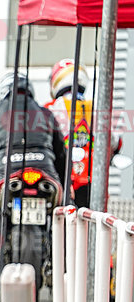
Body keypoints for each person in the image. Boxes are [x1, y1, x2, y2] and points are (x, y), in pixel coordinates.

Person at [0, 72, 67, 302]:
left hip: (7, 179)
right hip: (46, 179)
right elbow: (62, 155)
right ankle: (70, 278)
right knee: (66, 227)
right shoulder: (46, 114)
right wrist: (63, 183)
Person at [44, 59, 121, 207]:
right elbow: (113, 141)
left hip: (61, 177)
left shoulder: (50, 109)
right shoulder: (95, 109)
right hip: (90, 180)